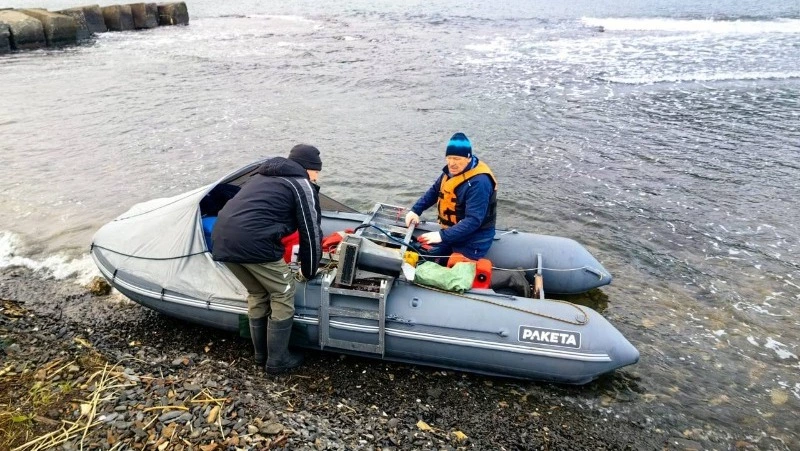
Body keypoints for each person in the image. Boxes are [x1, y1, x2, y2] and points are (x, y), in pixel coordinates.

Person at [211, 144, 323, 375]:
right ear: (309, 168)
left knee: (258, 293)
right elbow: (311, 231)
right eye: (317, 171)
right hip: (254, 244)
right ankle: (278, 361)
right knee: (283, 292)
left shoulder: (262, 176)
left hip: (221, 240)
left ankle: (261, 356)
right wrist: (309, 270)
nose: (317, 177)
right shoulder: (301, 184)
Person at [405, 132, 498, 261]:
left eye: (457, 159)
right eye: (449, 158)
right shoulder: (451, 172)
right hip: (454, 232)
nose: (452, 163)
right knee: (424, 255)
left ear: (469, 158)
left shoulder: (479, 182)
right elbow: (434, 191)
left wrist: (442, 236)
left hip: (474, 239)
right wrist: (415, 210)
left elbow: (473, 220)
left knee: (450, 271)